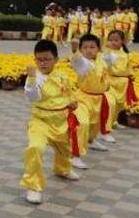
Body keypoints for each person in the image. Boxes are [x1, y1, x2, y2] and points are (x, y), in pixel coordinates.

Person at [20, 40, 88, 205]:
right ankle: (34, 186)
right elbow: (32, 96)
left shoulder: (62, 76)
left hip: (61, 119)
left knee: (64, 148)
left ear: (56, 59)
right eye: (39, 59)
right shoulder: (35, 77)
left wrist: (73, 101)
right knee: (35, 147)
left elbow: (69, 93)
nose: (42, 63)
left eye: (47, 59)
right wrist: (31, 78)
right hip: (41, 120)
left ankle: (63, 169)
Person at [71, 34, 117, 151]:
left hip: (99, 98)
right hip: (83, 98)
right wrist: (75, 51)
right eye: (85, 47)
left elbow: (111, 59)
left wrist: (109, 48)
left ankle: (91, 141)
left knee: (95, 124)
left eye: (92, 47)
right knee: (83, 123)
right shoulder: (84, 64)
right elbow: (77, 61)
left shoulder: (101, 59)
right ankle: (75, 153)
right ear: (81, 49)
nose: (89, 50)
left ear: (98, 49)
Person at [102, 30, 138, 127]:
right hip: (110, 81)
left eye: (116, 40)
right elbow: (104, 66)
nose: (113, 42)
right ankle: (107, 125)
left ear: (122, 41)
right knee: (111, 103)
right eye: (110, 40)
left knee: (120, 104)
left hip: (123, 83)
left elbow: (129, 67)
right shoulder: (106, 54)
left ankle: (114, 122)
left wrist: (132, 75)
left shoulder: (126, 55)